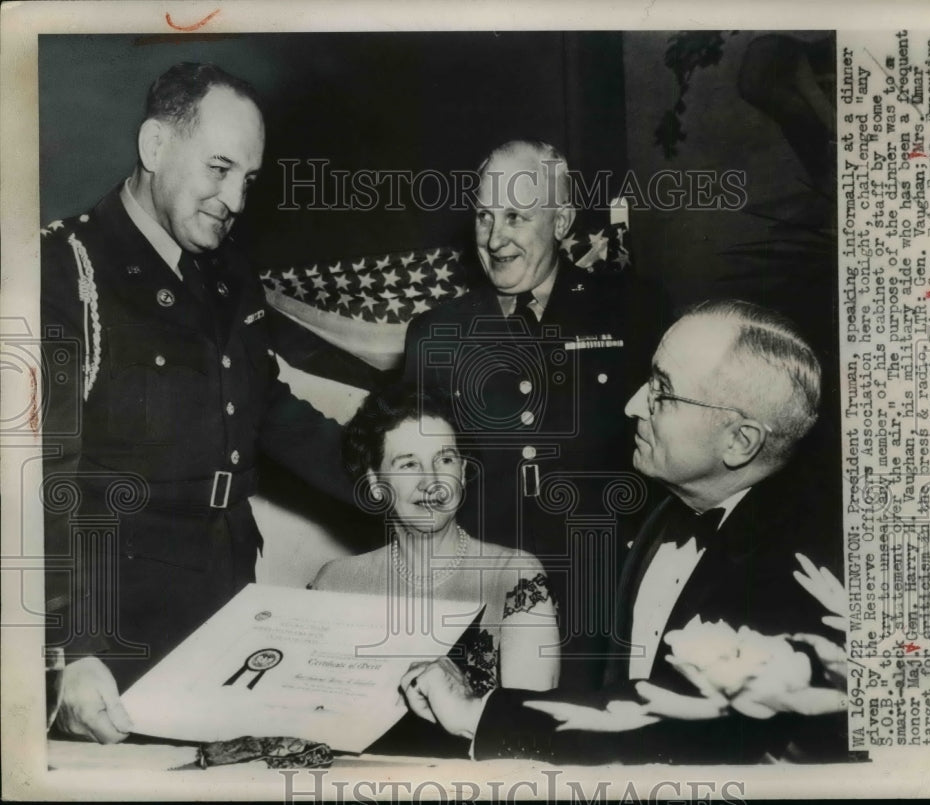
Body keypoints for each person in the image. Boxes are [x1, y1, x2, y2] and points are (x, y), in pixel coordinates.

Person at [40, 63, 354, 743]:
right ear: (155, 147)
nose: (234, 196)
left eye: (248, 178)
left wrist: (384, 477)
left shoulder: (226, 270)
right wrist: (65, 654)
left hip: (226, 601)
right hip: (116, 628)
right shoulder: (63, 271)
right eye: (219, 168)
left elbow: (263, 403)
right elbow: (40, 479)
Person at [400, 300, 848, 764]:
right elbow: (621, 687)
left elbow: (678, 731)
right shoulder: (662, 513)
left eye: (663, 393)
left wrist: (480, 715)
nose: (633, 404)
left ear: (740, 442)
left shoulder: (805, 571)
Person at [402, 140, 667, 690]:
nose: (495, 239)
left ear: (562, 219)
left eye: (517, 216)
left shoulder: (633, 312)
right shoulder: (436, 334)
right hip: (484, 603)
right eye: (484, 216)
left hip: (606, 598)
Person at [310, 383, 560, 696]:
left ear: (463, 470)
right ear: (375, 482)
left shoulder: (516, 577)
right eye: (409, 464)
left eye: (444, 460)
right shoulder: (335, 582)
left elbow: (524, 732)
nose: (431, 482)